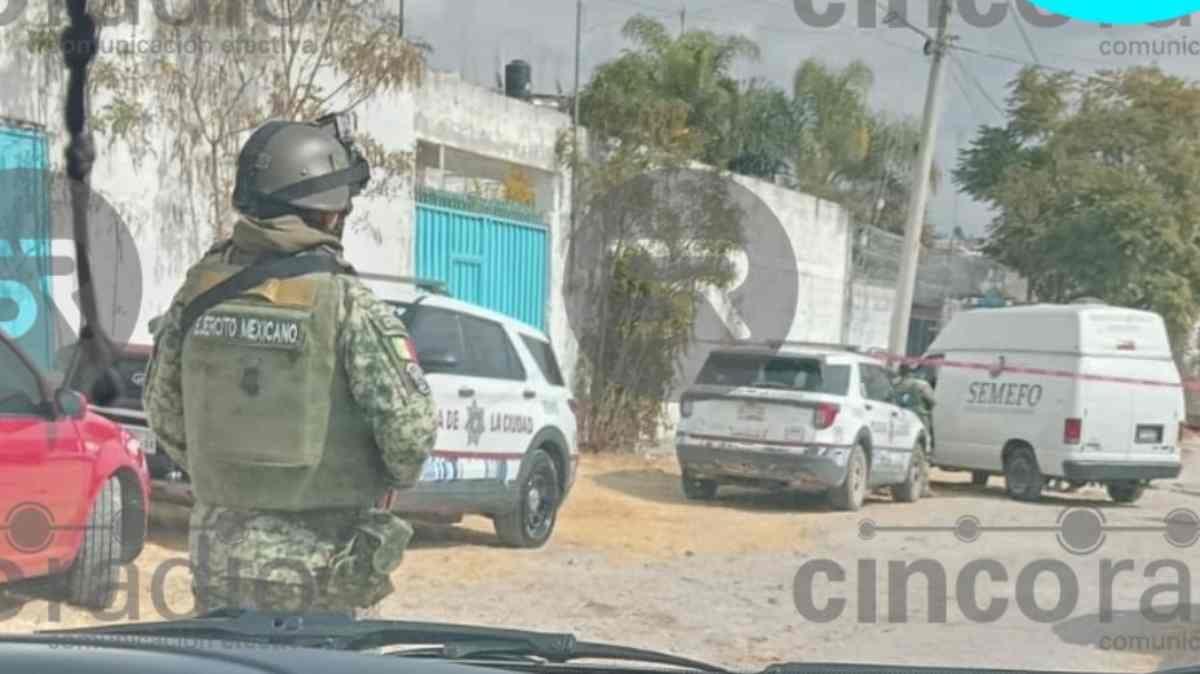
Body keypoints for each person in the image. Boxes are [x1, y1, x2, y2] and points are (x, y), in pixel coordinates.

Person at [143, 117, 438, 617]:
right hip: (323, 568)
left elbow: (161, 410)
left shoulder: (199, 291)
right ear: (327, 214)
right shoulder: (347, 303)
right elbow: (411, 439)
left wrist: (229, 478)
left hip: (219, 561)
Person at [894, 362, 936, 497]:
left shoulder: (895, 385)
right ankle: (923, 488)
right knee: (923, 454)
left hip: (900, 420)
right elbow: (932, 401)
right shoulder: (921, 385)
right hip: (919, 419)